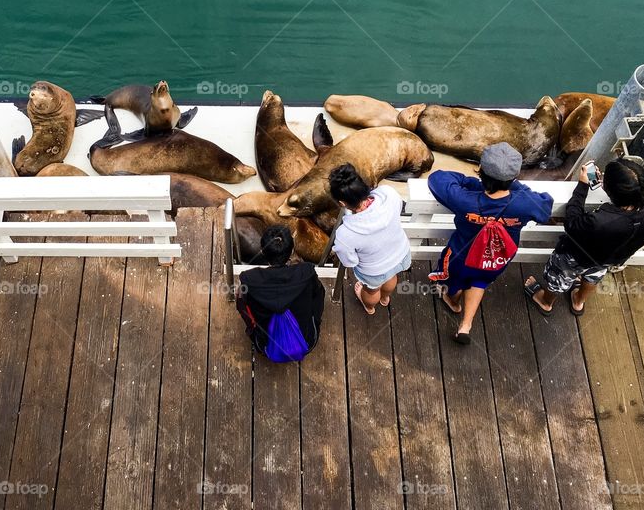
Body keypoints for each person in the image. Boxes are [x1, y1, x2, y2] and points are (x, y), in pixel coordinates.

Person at [428, 142, 553, 344]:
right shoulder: (525, 202)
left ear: (482, 173)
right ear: (513, 177)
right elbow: (545, 207)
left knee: (456, 281)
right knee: (479, 281)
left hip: (462, 257)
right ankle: (465, 325)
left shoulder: (463, 199)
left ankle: (453, 301)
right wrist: (516, 186)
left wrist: (473, 183)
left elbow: (437, 178)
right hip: (495, 259)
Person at [524, 159, 644, 315]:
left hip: (575, 258)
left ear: (609, 191)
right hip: (607, 260)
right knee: (593, 277)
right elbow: (636, 213)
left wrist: (582, 186)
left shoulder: (600, 223)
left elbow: (572, 223)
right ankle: (578, 301)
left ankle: (546, 302)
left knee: (559, 279)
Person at [329, 163, 411, 314]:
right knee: (391, 277)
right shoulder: (389, 193)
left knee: (372, 291)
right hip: (400, 254)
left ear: (342, 203)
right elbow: (398, 208)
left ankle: (370, 306)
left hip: (374, 270)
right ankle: (385, 298)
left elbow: (349, 261)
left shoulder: (344, 234)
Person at [236, 225, 325, 362]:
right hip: (307, 342)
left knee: (241, 295)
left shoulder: (250, 279)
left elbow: (242, 306)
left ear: (262, 252)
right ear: (291, 251)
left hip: (265, 346)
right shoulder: (306, 272)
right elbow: (319, 296)